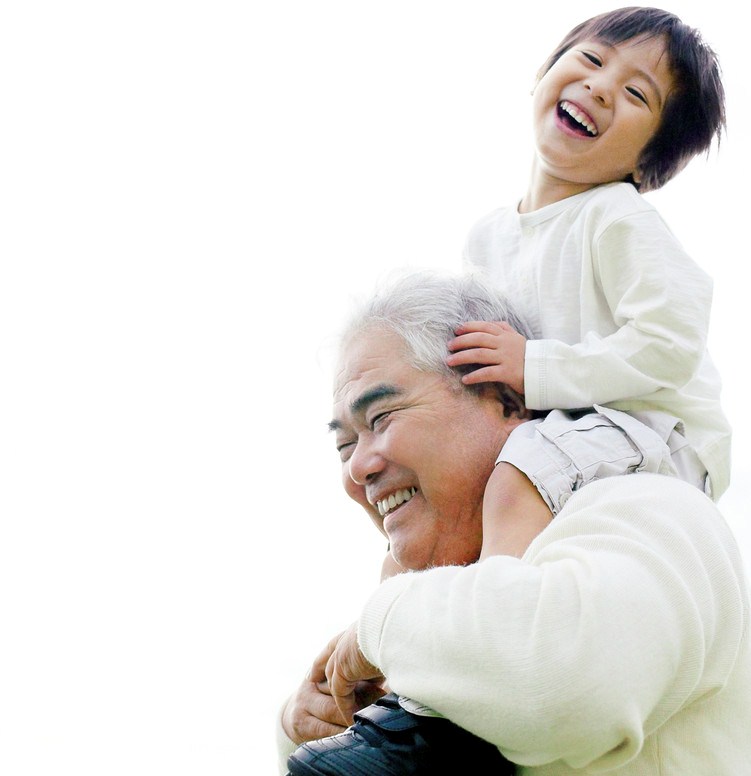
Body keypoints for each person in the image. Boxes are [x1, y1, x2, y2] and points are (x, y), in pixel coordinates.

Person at [280, 270, 751, 775]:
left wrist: (382, 626)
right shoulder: (441, 624)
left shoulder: (650, 509)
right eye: (344, 446)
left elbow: (565, 685)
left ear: (508, 400)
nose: (358, 468)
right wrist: (310, 726)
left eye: (381, 418)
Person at [446, 5, 731, 557]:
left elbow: (670, 341)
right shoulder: (486, 238)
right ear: (542, 74)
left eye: (637, 95)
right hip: (558, 434)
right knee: (440, 508)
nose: (601, 88)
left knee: (519, 476)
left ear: (649, 167)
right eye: (593, 59)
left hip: (656, 436)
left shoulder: (616, 216)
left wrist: (536, 365)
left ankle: (495, 615)